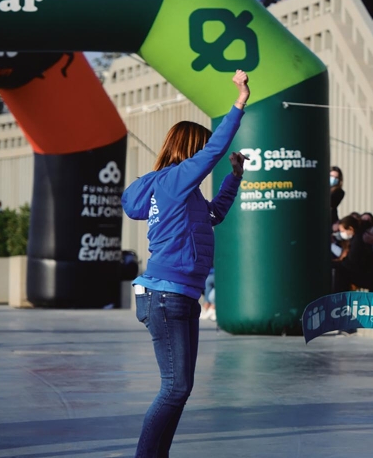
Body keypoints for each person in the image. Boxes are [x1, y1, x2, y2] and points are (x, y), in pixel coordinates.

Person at [122, 70, 249, 458]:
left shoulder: (183, 192)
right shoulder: (176, 180)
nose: (207, 157)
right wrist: (239, 101)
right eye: (203, 149)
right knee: (175, 387)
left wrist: (235, 178)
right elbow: (213, 152)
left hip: (178, 296)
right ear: (192, 149)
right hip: (166, 295)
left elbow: (215, 216)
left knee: (180, 388)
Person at [332, 215, 373, 292]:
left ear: (350, 229)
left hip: (369, 275)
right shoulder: (358, 237)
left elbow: (351, 261)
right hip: (370, 273)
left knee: (341, 271)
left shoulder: (358, 240)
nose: (341, 234)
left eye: (342, 231)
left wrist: (335, 264)